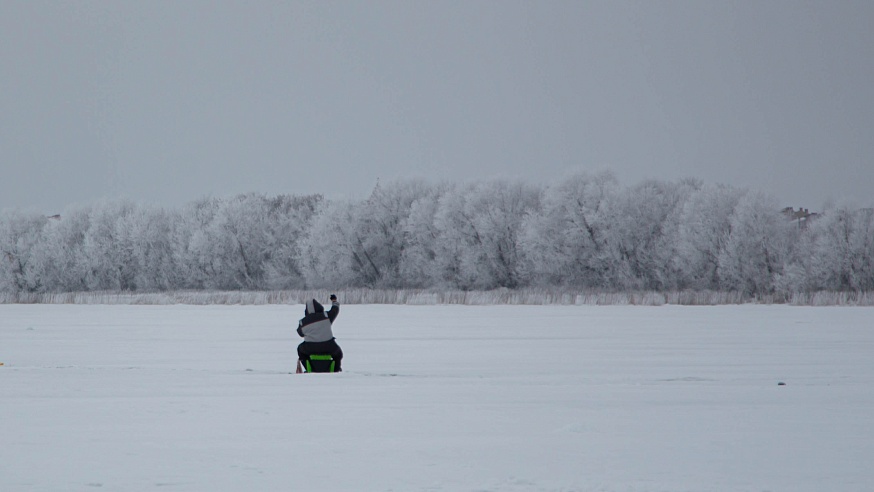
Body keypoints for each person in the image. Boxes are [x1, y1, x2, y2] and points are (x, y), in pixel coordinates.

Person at [297, 294, 343, 372]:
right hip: (329, 346)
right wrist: (334, 301)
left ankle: (309, 368)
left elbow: (300, 333)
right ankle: (336, 369)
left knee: (300, 350)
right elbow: (335, 310)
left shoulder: (303, 322)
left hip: (310, 347)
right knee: (338, 354)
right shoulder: (326, 316)